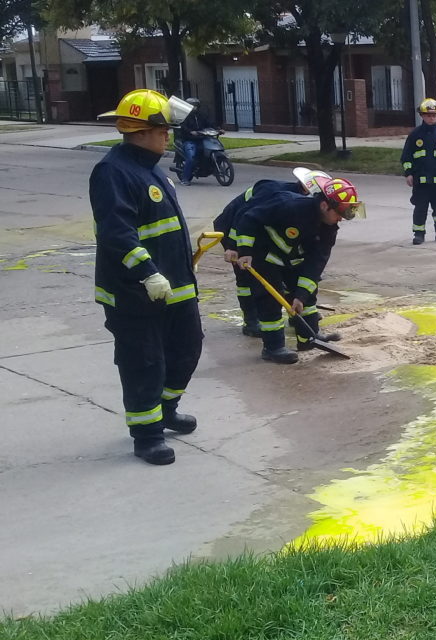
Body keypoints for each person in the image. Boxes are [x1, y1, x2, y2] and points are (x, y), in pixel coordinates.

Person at [90, 89, 203, 466]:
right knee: (144, 362)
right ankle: (147, 435)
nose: (167, 136)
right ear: (140, 131)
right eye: (162, 130)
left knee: (187, 349)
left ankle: (166, 409)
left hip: (175, 286)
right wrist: (148, 273)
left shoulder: (149, 167)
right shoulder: (112, 172)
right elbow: (117, 233)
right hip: (134, 292)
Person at [231, 176, 362, 364]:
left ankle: (308, 338)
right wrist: (244, 251)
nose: (341, 218)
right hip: (264, 256)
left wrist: (300, 295)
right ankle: (273, 348)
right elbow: (249, 218)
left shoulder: (329, 228)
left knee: (307, 294)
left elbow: (316, 263)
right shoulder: (289, 206)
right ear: (325, 205)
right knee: (270, 300)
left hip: (293, 260)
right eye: (339, 213)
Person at [213, 168, 345, 342]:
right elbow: (245, 217)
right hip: (234, 227)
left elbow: (313, 259)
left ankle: (299, 324)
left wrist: (301, 295)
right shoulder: (277, 195)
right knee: (247, 279)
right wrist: (237, 248)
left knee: (290, 279)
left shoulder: (306, 209)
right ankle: (251, 321)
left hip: (256, 228)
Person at [401, 98, 436, 244]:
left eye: (434, 115)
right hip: (421, 181)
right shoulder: (415, 135)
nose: (431, 118)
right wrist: (408, 173)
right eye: (428, 115)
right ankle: (419, 234)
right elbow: (406, 156)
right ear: (422, 115)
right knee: (420, 208)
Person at [175, 97, 213, 186]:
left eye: (196, 106)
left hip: (201, 139)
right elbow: (182, 127)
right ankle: (184, 179)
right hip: (189, 140)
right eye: (192, 106)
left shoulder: (201, 115)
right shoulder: (184, 117)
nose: (194, 107)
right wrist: (190, 132)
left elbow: (209, 123)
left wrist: (218, 129)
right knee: (191, 158)